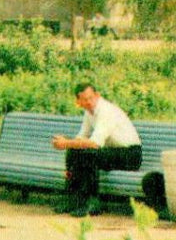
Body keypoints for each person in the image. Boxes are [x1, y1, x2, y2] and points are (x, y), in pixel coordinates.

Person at [50, 83, 141, 217]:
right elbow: (81, 137)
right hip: (112, 152)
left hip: (130, 155)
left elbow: (94, 144)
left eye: (91, 98)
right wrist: (68, 146)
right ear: (78, 102)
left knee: (89, 154)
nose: (89, 102)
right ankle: (73, 200)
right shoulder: (89, 113)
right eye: (84, 100)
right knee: (74, 151)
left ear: (97, 96)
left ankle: (93, 203)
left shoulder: (106, 111)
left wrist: (66, 143)